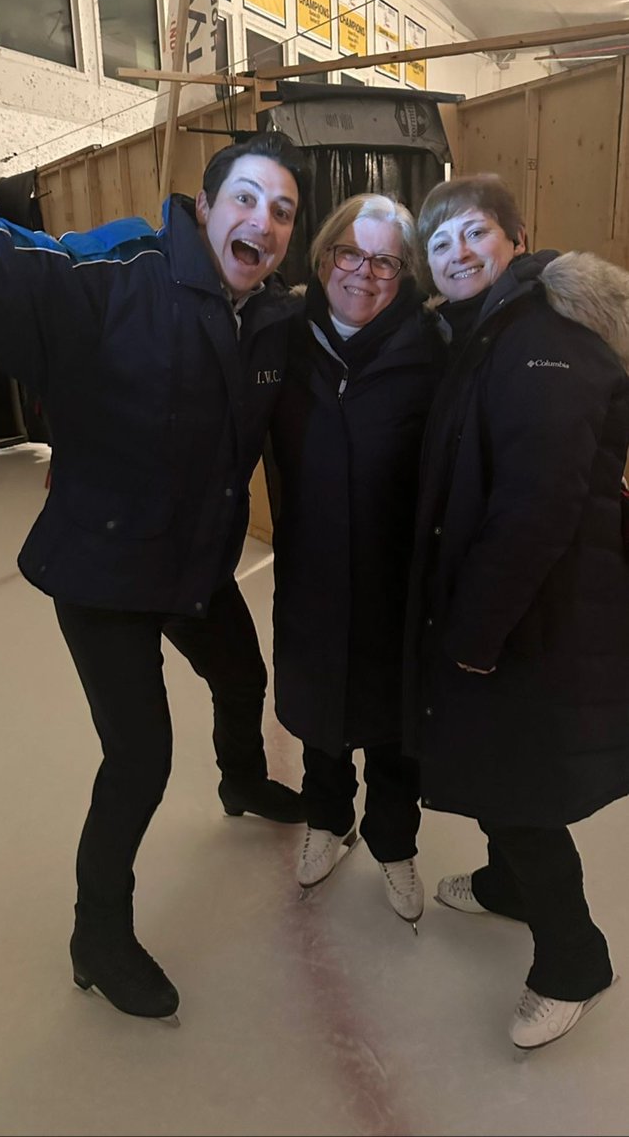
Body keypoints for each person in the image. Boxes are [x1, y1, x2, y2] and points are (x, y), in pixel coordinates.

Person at [0, 131, 311, 1021]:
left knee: (242, 676)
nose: (262, 221)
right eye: (245, 198)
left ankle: (239, 778)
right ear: (205, 206)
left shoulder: (271, 318)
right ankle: (99, 935)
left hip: (193, 564)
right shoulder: (116, 276)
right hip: (103, 571)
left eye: (281, 210)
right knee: (140, 757)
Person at [405, 172, 629, 1049]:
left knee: (520, 787)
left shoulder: (540, 340)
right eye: (439, 242)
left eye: (473, 232)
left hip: (541, 609)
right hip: (523, 603)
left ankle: (573, 962)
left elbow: (536, 508)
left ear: (515, 238)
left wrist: (473, 631)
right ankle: (504, 886)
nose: (457, 252)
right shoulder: (489, 330)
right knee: (496, 758)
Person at [268, 193, 444, 924]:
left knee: (394, 726)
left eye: (384, 262)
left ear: (404, 275)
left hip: (397, 579)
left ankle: (393, 842)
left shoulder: (432, 349)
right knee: (320, 709)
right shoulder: (282, 336)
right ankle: (328, 817)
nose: (363, 274)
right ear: (324, 256)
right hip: (310, 564)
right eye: (351, 253)